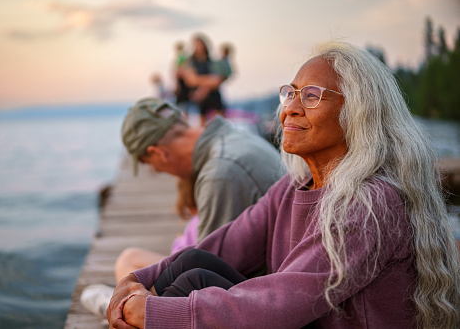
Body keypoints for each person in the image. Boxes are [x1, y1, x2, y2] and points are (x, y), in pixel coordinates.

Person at [107, 41, 460, 328]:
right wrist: (140, 277)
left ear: (358, 112)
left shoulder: (370, 201)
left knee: (186, 291)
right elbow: (226, 244)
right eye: (290, 93)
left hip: (295, 316)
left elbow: (283, 299)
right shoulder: (295, 188)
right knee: (195, 264)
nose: (290, 107)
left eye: (310, 96)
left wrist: (154, 312)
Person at [81, 97, 283, 318]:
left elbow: (206, 269)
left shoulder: (221, 173)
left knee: (131, 264)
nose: (159, 171)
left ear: (158, 153)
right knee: (134, 262)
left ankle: (122, 310)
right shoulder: (237, 138)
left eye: (151, 165)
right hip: (272, 277)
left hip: (261, 294)